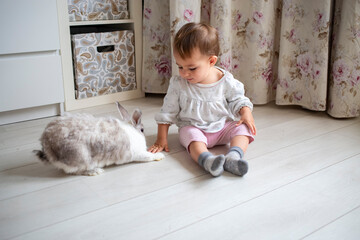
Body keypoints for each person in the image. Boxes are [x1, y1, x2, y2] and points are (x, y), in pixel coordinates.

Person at [148, 22, 256, 177]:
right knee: (190, 136)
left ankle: (233, 157)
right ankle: (207, 161)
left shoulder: (225, 81)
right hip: (194, 127)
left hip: (222, 128)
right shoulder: (179, 84)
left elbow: (238, 99)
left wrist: (246, 113)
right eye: (180, 66)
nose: (185, 73)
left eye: (192, 68)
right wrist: (161, 139)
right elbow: (167, 111)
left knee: (243, 128)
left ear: (211, 61)